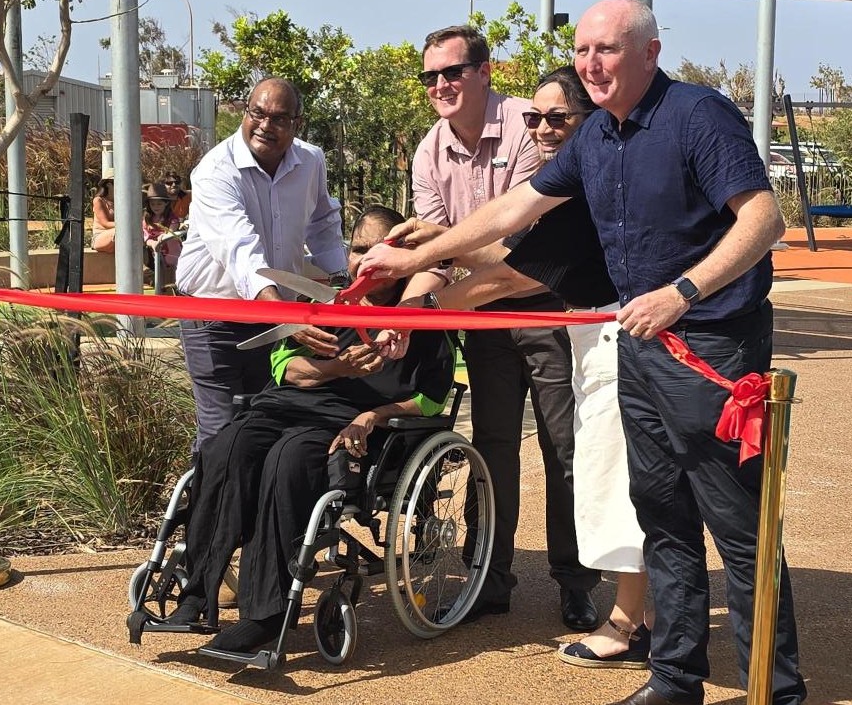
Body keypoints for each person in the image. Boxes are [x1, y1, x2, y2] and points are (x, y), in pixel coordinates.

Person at [362, 0, 809, 705]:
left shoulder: (698, 116)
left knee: (741, 535)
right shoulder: (596, 136)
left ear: (649, 52)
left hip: (711, 348)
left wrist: (685, 291)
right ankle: (676, 679)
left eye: (608, 49)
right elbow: (514, 209)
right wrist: (412, 258)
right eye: (582, 50)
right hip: (640, 350)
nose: (592, 64)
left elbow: (763, 219)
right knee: (661, 518)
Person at [404, 67, 649, 666]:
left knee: (568, 449)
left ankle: (577, 582)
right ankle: (490, 575)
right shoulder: (431, 148)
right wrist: (417, 292)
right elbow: (474, 253)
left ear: (481, 73)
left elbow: (519, 258)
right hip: (488, 319)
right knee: (491, 447)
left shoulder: (537, 143)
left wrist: (435, 266)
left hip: (553, 315)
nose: (541, 127)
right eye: (430, 75)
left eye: (452, 72)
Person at [167, 206, 454, 655]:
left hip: (346, 422)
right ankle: (196, 595)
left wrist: (372, 415)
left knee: (287, 461)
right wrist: (337, 367)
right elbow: (285, 369)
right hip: (285, 406)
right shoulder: (326, 308)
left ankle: (264, 614)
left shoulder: (421, 321)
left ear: (405, 257)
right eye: (358, 249)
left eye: (382, 249)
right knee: (225, 448)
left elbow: (432, 399)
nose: (366, 260)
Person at [175, 77, 348, 454]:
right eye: (257, 113)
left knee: (262, 425)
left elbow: (323, 222)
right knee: (222, 433)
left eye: (279, 118)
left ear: (297, 123)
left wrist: (342, 281)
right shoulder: (215, 171)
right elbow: (241, 251)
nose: (265, 125)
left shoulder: (311, 160)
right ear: (245, 112)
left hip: (276, 318)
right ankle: (205, 493)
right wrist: (287, 317)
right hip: (214, 317)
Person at [142, 181, 183, 269]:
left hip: (173, 255)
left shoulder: (171, 217)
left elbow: (172, 229)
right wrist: (153, 243)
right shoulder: (147, 219)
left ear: (166, 203)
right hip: (156, 256)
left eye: (159, 204)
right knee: (159, 272)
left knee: (173, 272)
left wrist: (165, 236)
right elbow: (146, 237)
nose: (156, 207)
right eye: (152, 204)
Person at [90, 173, 115, 254]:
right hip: (100, 236)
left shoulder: (120, 202)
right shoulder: (98, 200)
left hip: (115, 238)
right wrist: (126, 226)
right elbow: (105, 223)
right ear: (109, 185)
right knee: (123, 232)